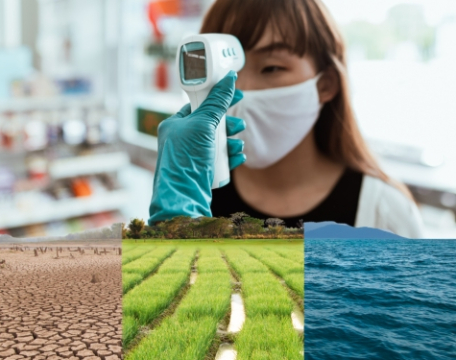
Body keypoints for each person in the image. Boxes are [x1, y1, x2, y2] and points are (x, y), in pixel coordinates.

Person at [148, 0, 424, 238]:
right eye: (226, 70)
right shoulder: (195, 195)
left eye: (271, 68)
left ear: (325, 84)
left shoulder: (382, 213)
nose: (241, 89)